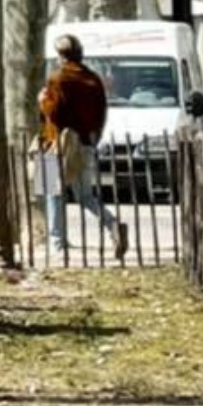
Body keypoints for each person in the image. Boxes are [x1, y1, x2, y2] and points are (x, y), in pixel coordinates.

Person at [40, 32, 130, 260]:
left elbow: (54, 112)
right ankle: (112, 224)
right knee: (86, 195)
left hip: (55, 143)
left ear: (61, 55)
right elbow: (102, 113)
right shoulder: (93, 80)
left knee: (52, 191)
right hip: (85, 142)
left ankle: (57, 242)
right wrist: (93, 138)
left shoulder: (58, 79)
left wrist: (43, 101)